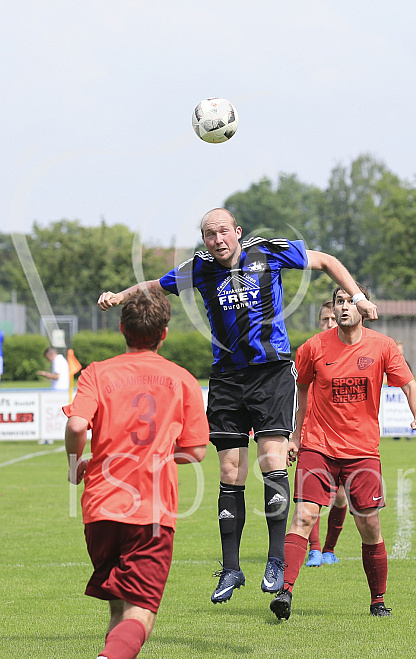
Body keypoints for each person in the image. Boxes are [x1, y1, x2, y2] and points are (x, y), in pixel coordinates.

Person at [97, 208, 378, 604]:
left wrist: (361, 298)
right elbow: (156, 285)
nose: (217, 240)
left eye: (222, 232)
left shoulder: (267, 252)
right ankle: (231, 570)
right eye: (209, 235)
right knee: (230, 471)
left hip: (271, 373)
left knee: (271, 461)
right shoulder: (200, 268)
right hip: (227, 378)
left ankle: (276, 560)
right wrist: (120, 295)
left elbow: (326, 261)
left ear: (237, 232)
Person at [64, 289, 208, 659]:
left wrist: (75, 465)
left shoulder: (97, 372)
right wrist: (160, 456)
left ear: (122, 329)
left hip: (100, 507)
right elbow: (196, 449)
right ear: (164, 334)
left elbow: (77, 426)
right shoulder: (181, 379)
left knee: (118, 611)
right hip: (151, 511)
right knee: (140, 613)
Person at [270, 284, 416, 621]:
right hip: (318, 447)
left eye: (349, 302)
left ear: (362, 306)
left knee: (369, 525)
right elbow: (300, 391)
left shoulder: (383, 346)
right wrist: (295, 436)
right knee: (304, 516)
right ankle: (285, 591)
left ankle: (377, 600)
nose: (343, 308)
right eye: (338, 301)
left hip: (362, 452)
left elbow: (410, 386)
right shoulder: (313, 348)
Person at [305, 301, 348, 568]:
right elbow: (296, 392)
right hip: (314, 435)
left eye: (333, 318)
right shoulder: (312, 350)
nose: (330, 323)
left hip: (346, 439)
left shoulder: (351, 351)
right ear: (318, 322)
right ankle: (315, 548)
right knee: (312, 498)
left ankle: (330, 548)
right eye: (325, 319)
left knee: (341, 496)